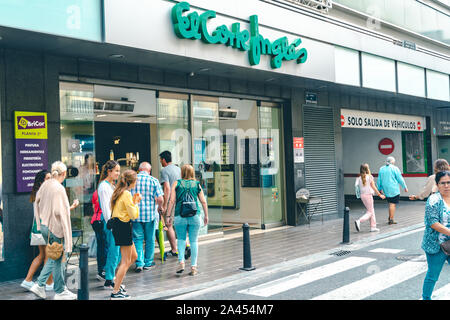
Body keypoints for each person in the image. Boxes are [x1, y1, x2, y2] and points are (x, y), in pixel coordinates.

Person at [22, 170, 79, 293]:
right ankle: (48, 283)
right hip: (46, 227)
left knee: (43, 255)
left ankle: (28, 280)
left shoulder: (39, 192)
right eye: (48, 178)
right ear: (42, 181)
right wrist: (71, 207)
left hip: (38, 228)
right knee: (50, 255)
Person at [165, 164, 208, 276]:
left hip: (180, 215)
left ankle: (181, 262)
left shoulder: (177, 183)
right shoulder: (197, 184)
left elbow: (171, 200)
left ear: (182, 172)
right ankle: (193, 267)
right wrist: (206, 215)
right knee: (193, 241)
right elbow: (203, 201)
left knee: (181, 240)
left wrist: (168, 216)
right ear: (192, 173)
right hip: (195, 216)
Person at [109, 170, 141, 299]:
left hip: (119, 226)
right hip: (123, 227)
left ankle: (117, 283)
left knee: (134, 256)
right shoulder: (126, 193)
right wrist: (137, 202)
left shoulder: (120, 192)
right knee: (126, 261)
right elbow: (133, 215)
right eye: (136, 180)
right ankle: (115, 292)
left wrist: (133, 202)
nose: (136, 182)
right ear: (131, 181)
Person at [421, 171, 450, 300]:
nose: (446, 186)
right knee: (433, 275)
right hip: (436, 245)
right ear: (437, 185)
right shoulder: (434, 200)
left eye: (449, 182)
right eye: (443, 183)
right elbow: (433, 223)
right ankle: (426, 298)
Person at [131, 162, 164, 272]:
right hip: (149, 215)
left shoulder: (133, 180)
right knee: (150, 239)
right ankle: (148, 263)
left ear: (139, 169)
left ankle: (139, 263)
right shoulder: (153, 180)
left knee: (137, 239)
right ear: (149, 171)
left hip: (135, 215)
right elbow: (160, 198)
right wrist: (160, 207)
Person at [97, 160, 122, 289]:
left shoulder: (110, 185)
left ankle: (109, 274)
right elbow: (106, 208)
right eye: (116, 171)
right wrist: (110, 223)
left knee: (119, 251)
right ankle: (109, 277)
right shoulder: (104, 186)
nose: (118, 173)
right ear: (109, 171)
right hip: (111, 222)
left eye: (119, 170)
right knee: (114, 251)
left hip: (115, 221)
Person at [159, 151, 181, 258]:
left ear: (163, 159)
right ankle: (185, 245)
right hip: (180, 199)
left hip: (171, 200)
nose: (160, 162)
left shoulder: (164, 171)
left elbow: (167, 188)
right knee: (180, 224)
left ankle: (174, 249)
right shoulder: (178, 169)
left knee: (169, 225)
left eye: (160, 160)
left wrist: (165, 204)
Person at [376, 156, 408, 225]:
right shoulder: (395, 168)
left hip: (386, 190)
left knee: (390, 203)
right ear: (393, 162)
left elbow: (379, 180)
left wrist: (379, 189)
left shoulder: (381, 169)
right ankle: (391, 219)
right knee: (392, 204)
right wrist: (404, 187)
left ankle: (390, 217)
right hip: (394, 189)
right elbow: (400, 179)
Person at [354, 163, 386, 233]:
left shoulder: (358, 178)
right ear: (367, 169)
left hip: (362, 196)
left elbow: (356, 187)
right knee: (370, 212)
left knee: (371, 210)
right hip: (368, 195)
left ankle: (373, 227)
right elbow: (373, 187)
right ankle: (359, 221)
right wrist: (380, 194)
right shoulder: (370, 177)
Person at [91, 189, 107, 281]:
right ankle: (103, 270)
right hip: (103, 220)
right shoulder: (107, 190)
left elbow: (94, 207)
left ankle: (100, 270)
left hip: (95, 220)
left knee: (100, 246)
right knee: (106, 246)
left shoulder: (95, 192)